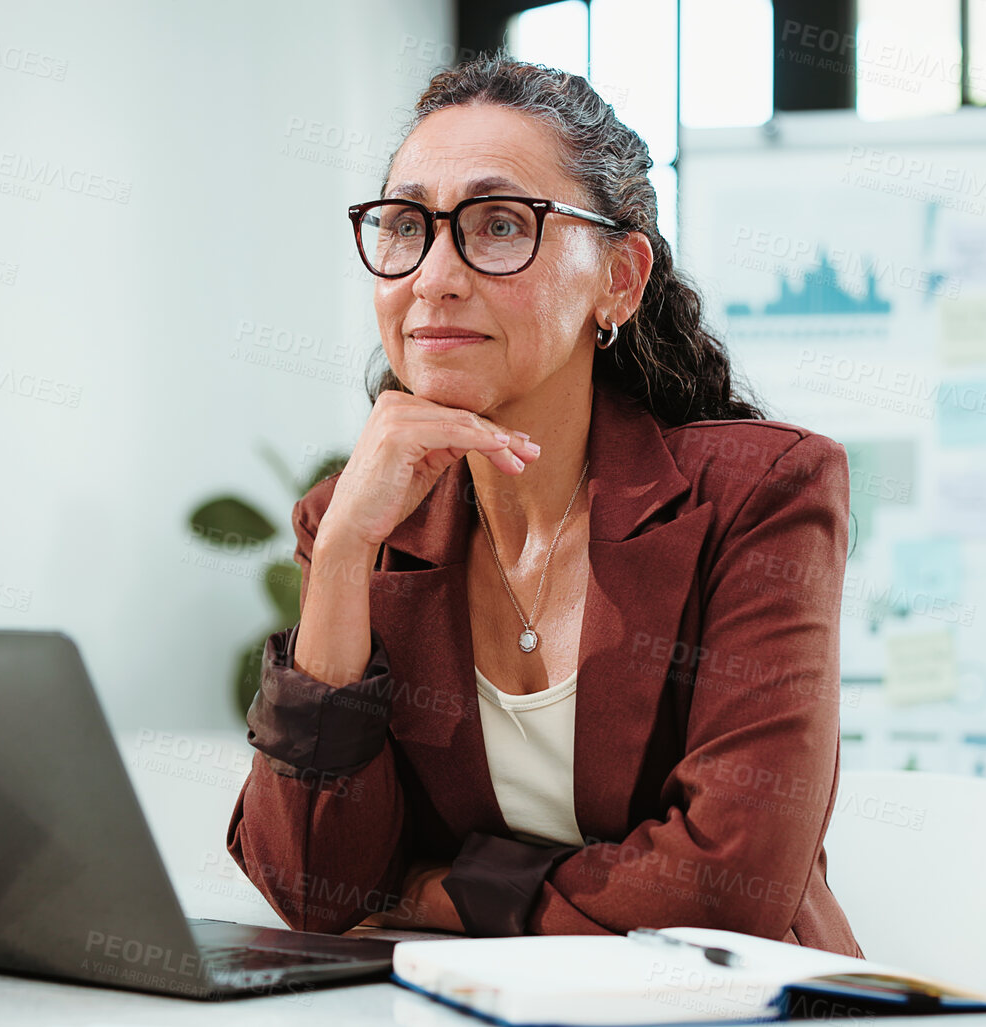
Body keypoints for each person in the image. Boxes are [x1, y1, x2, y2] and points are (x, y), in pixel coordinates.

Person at [226, 54, 860, 956]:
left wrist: (432, 895)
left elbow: (728, 885)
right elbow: (312, 888)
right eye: (407, 226)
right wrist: (339, 557)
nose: (433, 276)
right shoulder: (359, 519)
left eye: (496, 225)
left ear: (619, 279)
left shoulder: (761, 495)